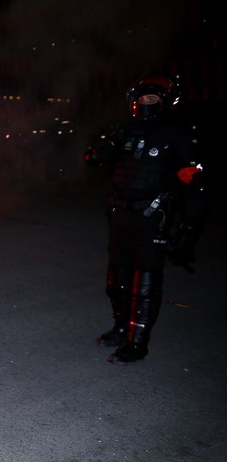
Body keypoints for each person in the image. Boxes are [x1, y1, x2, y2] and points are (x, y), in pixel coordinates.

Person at [84, 74, 205, 365]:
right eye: (142, 98)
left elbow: (194, 184)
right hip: (121, 213)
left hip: (153, 216)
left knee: (145, 284)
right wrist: (101, 146)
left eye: (153, 98)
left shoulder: (176, 135)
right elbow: (94, 159)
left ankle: (137, 341)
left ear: (165, 102)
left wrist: (189, 229)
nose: (146, 102)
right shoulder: (126, 130)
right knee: (117, 279)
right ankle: (121, 327)